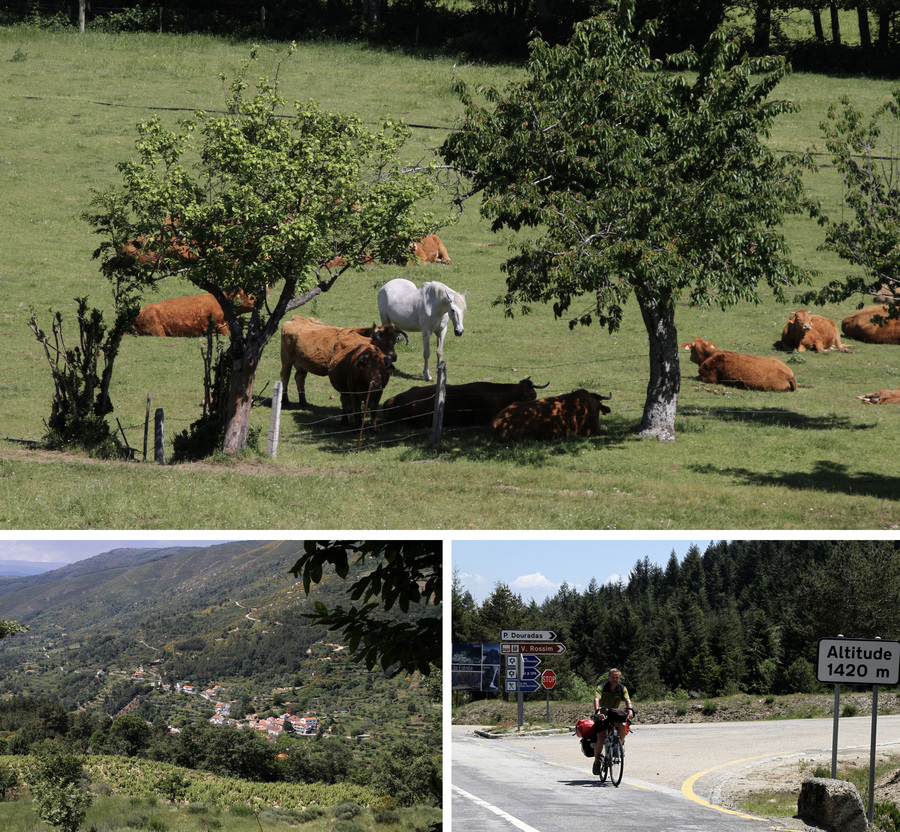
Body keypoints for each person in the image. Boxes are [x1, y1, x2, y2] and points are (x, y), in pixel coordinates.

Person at [591, 667, 633, 774]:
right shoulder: (602, 687)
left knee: (623, 725)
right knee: (601, 737)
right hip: (601, 716)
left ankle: (619, 747)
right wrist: (598, 712)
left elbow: (628, 700)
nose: (615, 679)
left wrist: (630, 711)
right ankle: (596, 762)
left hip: (613, 715)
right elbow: (596, 699)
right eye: (613, 677)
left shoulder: (622, 688)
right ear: (609, 677)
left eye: (617, 678)